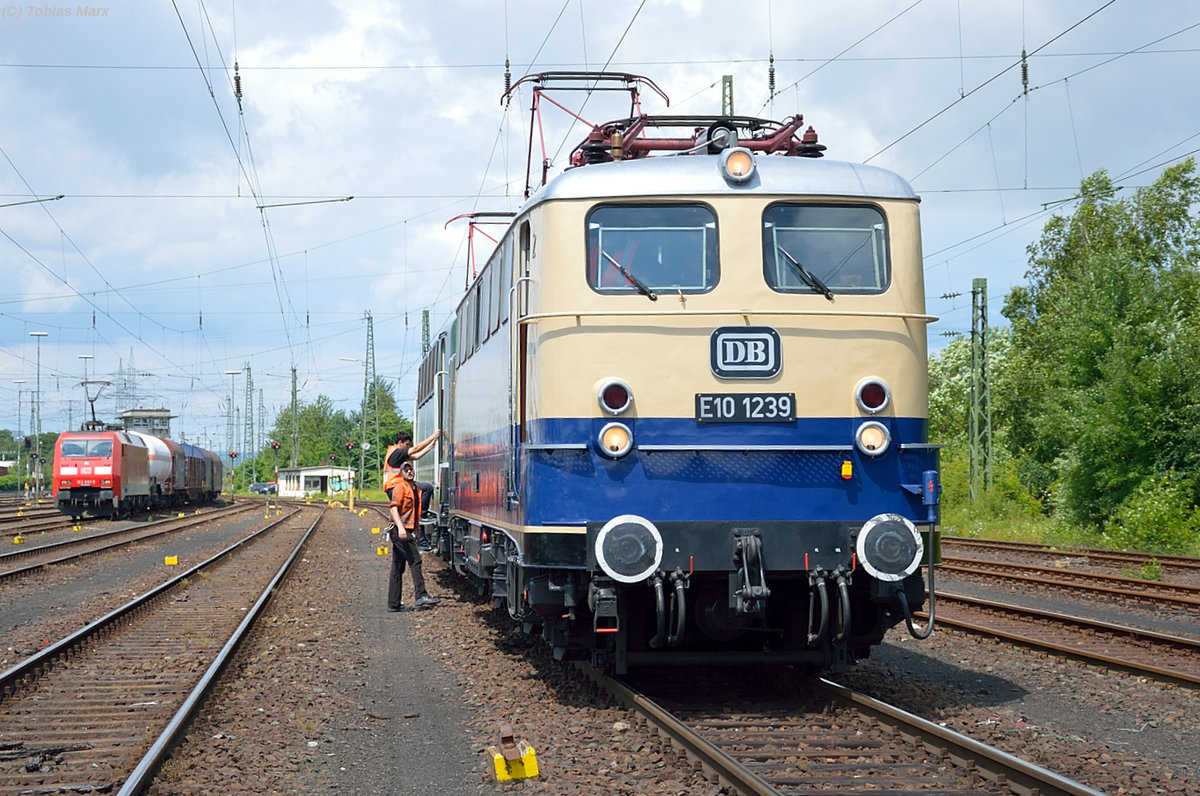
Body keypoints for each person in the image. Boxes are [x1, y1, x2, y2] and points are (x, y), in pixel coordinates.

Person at [386, 462, 441, 612]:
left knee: (397, 567)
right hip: (400, 531)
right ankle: (421, 595)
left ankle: (393, 603)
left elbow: (415, 514)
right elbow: (394, 509)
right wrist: (401, 528)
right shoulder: (400, 487)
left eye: (411, 469)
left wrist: (417, 531)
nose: (409, 472)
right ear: (401, 473)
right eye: (406, 470)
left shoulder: (416, 489)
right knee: (415, 561)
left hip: (407, 530)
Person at [382, 429, 439, 552]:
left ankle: (422, 543)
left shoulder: (394, 452)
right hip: (396, 487)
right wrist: (432, 436)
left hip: (394, 487)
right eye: (407, 444)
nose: (407, 447)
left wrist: (430, 447)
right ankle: (423, 515)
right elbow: (416, 449)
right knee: (427, 488)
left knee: (414, 509)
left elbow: (416, 456)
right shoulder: (397, 452)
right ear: (400, 442)